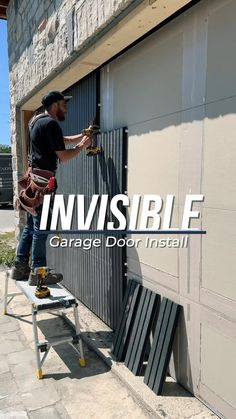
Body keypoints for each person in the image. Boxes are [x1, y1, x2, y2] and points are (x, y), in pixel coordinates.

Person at [11, 91, 92, 285]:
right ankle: (39, 272)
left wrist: (81, 136)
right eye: (64, 104)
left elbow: (60, 140)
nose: (66, 108)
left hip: (34, 181)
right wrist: (82, 145)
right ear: (55, 105)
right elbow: (63, 157)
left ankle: (20, 267)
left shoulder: (37, 121)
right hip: (43, 185)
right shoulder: (52, 124)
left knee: (31, 226)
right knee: (42, 228)